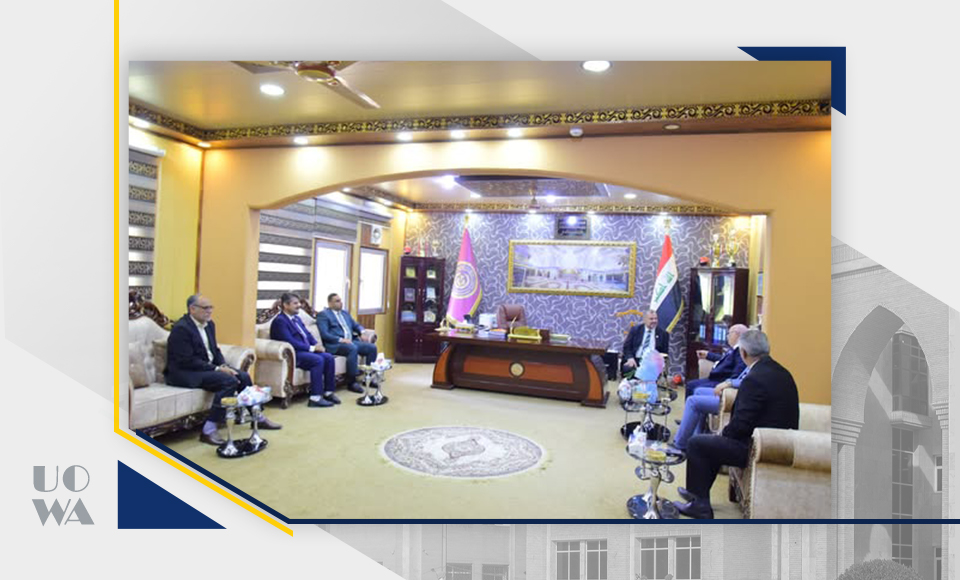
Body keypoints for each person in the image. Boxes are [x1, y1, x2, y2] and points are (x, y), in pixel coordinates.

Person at [675, 329, 799, 519]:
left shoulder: (754, 379)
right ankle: (697, 494)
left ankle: (700, 505)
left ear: (743, 353)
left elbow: (742, 423)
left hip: (758, 447)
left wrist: (724, 435)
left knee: (697, 444)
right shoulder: (781, 372)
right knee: (713, 443)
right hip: (778, 443)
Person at [166, 294, 281, 445]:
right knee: (228, 381)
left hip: (204, 368)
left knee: (243, 376)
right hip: (184, 373)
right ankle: (208, 430)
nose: (209, 311)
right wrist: (217, 369)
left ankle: (257, 417)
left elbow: (215, 350)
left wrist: (224, 365)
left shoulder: (209, 324)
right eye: (205, 308)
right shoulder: (181, 329)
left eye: (211, 307)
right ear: (192, 309)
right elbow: (186, 361)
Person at [269, 292, 339, 407]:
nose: (299, 306)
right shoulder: (280, 321)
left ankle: (328, 392)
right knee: (317, 360)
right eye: (295, 303)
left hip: (304, 351)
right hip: (293, 354)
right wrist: (312, 348)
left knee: (328, 357)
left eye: (299, 303)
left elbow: (307, 335)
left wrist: (317, 345)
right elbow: (290, 341)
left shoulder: (296, 319)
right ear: (286, 305)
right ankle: (315, 398)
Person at [318, 293, 377, 392]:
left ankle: (368, 377)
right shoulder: (323, 315)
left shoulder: (345, 313)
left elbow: (356, 325)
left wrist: (362, 332)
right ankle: (352, 382)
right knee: (352, 348)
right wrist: (341, 340)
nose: (340, 303)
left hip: (351, 341)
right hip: (336, 344)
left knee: (371, 348)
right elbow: (324, 334)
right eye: (337, 301)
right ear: (330, 303)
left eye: (340, 300)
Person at [685, 324, 748, 399]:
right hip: (715, 379)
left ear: (736, 334)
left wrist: (728, 384)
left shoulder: (740, 351)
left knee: (693, 387)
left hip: (721, 381)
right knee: (690, 384)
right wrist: (708, 355)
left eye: (729, 333)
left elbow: (737, 372)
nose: (727, 336)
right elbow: (725, 359)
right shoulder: (733, 349)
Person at [621, 311, 669, 375]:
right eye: (651, 319)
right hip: (636, 359)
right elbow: (627, 347)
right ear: (645, 320)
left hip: (651, 362)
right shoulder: (636, 330)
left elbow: (664, 352)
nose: (654, 321)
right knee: (628, 367)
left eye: (656, 319)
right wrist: (630, 358)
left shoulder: (663, 333)